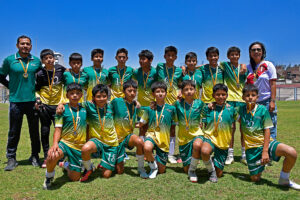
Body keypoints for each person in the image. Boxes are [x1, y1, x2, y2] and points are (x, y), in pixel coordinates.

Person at [239, 84, 299, 190]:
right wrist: (212, 104)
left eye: (253, 95)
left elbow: (267, 131)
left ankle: (284, 179)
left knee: (291, 153)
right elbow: (225, 109)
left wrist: (265, 151)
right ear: (243, 97)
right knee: (255, 179)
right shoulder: (240, 110)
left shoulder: (262, 109)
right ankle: (261, 163)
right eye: (247, 95)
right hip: (252, 149)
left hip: (266, 143)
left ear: (257, 97)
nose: (250, 97)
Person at [0, 35, 42, 170]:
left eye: (28, 44)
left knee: (34, 131)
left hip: (32, 101)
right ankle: (11, 158)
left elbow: (41, 78)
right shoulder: (10, 60)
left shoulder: (36, 61)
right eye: (22, 44)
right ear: (17, 45)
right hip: (15, 101)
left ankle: (35, 156)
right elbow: (1, 76)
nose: (25, 46)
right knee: (14, 131)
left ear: (31, 46)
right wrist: (10, 86)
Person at [43, 83, 87, 190]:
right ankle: (49, 177)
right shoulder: (61, 110)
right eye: (72, 93)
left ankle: (66, 164)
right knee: (52, 155)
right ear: (67, 95)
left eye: (77, 93)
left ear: (81, 95)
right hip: (65, 143)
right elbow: (57, 129)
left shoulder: (86, 108)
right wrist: (54, 144)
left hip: (79, 147)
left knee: (74, 178)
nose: (75, 96)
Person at [80, 84, 119, 181]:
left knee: (106, 175)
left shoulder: (112, 106)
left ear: (107, 96)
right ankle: (89, 168)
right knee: (85, 149)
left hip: (111, 143)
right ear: (93, 98)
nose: (101, 99)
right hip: (97, 140)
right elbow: (73, 104)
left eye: (104, 96)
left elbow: (127, 103)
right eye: (98, 97)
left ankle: (106, 163)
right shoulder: (88, 105)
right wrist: (60, 105)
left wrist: (136, 102)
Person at [139, 81, 177, 178]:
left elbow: (174, 125)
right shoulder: (149, 109)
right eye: (157, 91)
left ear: (166, 93)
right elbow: (141, 123)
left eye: (163, 91)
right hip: (151, 135)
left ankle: (156, 162)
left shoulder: (171, 109)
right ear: (153, 94)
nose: (160, 93)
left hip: (164, 140)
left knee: (162, 170)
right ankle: (153, 167)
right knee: (147, 147)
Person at [35, 49, 66, 168]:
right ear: (42, 60)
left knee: (61, 131)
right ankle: (47, 156)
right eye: (46, 58)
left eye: (51, 57)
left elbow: (65, 85)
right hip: (45, 106)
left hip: (58, 106)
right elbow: (36, 89)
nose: (49, 60)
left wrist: (63, 102)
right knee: (45, 131)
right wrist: (38, 100)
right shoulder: (40, 73)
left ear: (54, 58)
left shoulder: (60, 69)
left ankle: (60, 156)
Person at [110, 80, 147, 178]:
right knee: (119, 171)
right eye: (129, 91)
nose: (132, 93)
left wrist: (140, 123)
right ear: (123, 91)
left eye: (134, 91)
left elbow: (144, 115)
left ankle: (141, 168)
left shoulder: (136, 105)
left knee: (139, 142)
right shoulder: (117, 101)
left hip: (128, 136)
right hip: (115, 139)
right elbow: (105, 107)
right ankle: (113, 162)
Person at [201, 84, 237, 183]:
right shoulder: (208, 108)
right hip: (210, 137)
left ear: (227, 95)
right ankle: (211, 171)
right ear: (213, 95)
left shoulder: (231, 109)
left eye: (223, 94)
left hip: (223, 142)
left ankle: (213, 163)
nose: (220, 97)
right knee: (204, 151)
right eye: (217, 95)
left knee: (219, 174)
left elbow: (234, 125)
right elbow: (202, 124)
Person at [220, 47, 248, 165]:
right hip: (230, 101)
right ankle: (230, 155)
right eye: (232, 55)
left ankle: (244, 155)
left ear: (239, 55)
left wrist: (244, 66)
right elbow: (207, 65)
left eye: (236, 54)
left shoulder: (244, 69)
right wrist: (186, 67)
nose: (234, 56)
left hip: (241, 102)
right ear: (228, 56)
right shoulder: (225, 65)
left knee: (243, 129)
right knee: (231, 129)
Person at [174, 80, 205, 183]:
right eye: (186, 89)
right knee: (185, 169)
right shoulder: (177, 104)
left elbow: (208, 112)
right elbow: (167, 109)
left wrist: (212, 105)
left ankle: (193, 171)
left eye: (191, 89)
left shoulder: (200, 103)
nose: (189, 91)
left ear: (195, 91)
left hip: (197, 133)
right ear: (182, 92)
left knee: (197, 145)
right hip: (183, 138)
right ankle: (190, 167)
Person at [156, 46, 182, 163]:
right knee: (159, 127)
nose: (170, 57)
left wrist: (180, 92)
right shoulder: (160, 67)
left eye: (173, 55)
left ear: (176, 57)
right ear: (164, 56)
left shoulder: (179, 71)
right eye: (168, 55)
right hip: (162, 102)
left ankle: (171, 154)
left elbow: (181, 84)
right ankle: (159, 152)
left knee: (172, 129)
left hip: (174, 104)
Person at [246, 42, 277, 140]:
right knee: (256, 128)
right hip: (253, 103)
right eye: (253, 50)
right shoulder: (248, 68)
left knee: (270, 127)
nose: (256, 52)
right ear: (250, 53)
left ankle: (271, 153)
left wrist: (272, 101)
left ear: (263, 52)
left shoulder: (268, 65)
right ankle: (259, 152)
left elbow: (273, 84)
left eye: (258, 49)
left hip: (267, 101)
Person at [133, 50, 157, 141]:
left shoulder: (155, 72)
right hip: (141, 105)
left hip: (152, 105)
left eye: (143, 59)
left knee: (152, 128)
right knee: (141, 128)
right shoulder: (136, 72)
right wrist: (135, 100)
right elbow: (133, 86)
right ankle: (141, 149)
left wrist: (156, 101)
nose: (141, 61)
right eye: (140, 59)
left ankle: (150, 148)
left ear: (150, 60)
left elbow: (159, 87)